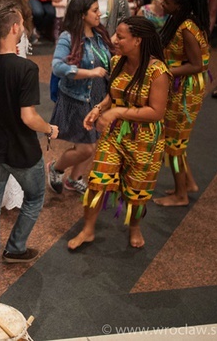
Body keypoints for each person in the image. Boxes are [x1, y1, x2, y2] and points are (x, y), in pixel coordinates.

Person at [68, 16, 170, 249]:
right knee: (97, 180)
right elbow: (114, 95)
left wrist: (117, 113)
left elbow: (156, 112)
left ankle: (135, 227)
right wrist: (99, 108)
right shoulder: (117, 62)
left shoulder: (158, 71)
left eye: (121, 37)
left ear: (138, 41)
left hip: (145, 139)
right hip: (115, 135)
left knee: (137, 191)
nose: (114, 40)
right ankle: (88, 230)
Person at [0, 3, 58, 280]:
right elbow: (29, 117)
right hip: (22, 151)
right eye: (21, 23)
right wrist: (49, 128)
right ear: (14, 28)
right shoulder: (25, 68)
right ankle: (15, 249)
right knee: (34, 198)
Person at [47, 0, 112, 195]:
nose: (99, 13)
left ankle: (74, 179)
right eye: (94, 10)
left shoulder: (100, 34)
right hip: (77, 98)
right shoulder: (68, 37)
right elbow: (58, 67)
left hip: (97, 97)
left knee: (90, 141)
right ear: (82, 15)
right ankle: (56, 168)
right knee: (86, 148)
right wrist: (89, 72)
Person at [154, 0, 211, 208]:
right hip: (181, 85)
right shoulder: (181, 20)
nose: (162, 3)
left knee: (174, 144)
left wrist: (162, 71)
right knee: (176, 140)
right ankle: (188, 183)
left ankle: (180, 195)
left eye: (167, 2)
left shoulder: (186, 26)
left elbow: (197, 65)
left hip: (185, 89)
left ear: (180, 5)